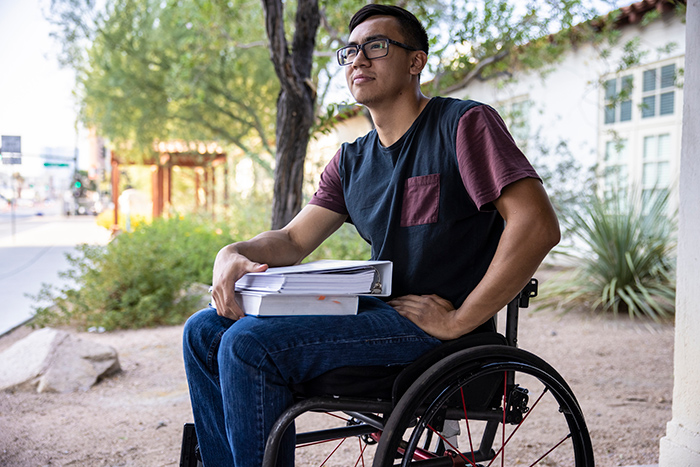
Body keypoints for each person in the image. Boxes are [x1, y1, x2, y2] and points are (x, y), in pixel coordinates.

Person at [182, 4, 560, 466]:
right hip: (376, 313)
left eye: (376, 46)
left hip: (432, 325)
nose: (359, 59)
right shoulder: (351, 160)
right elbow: (293, 241)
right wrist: (232, 252)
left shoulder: (463, 125)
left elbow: (537, 225)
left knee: (248, 344)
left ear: (416, 61)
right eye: (351, 51)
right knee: (203, 329)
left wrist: (460, 320)